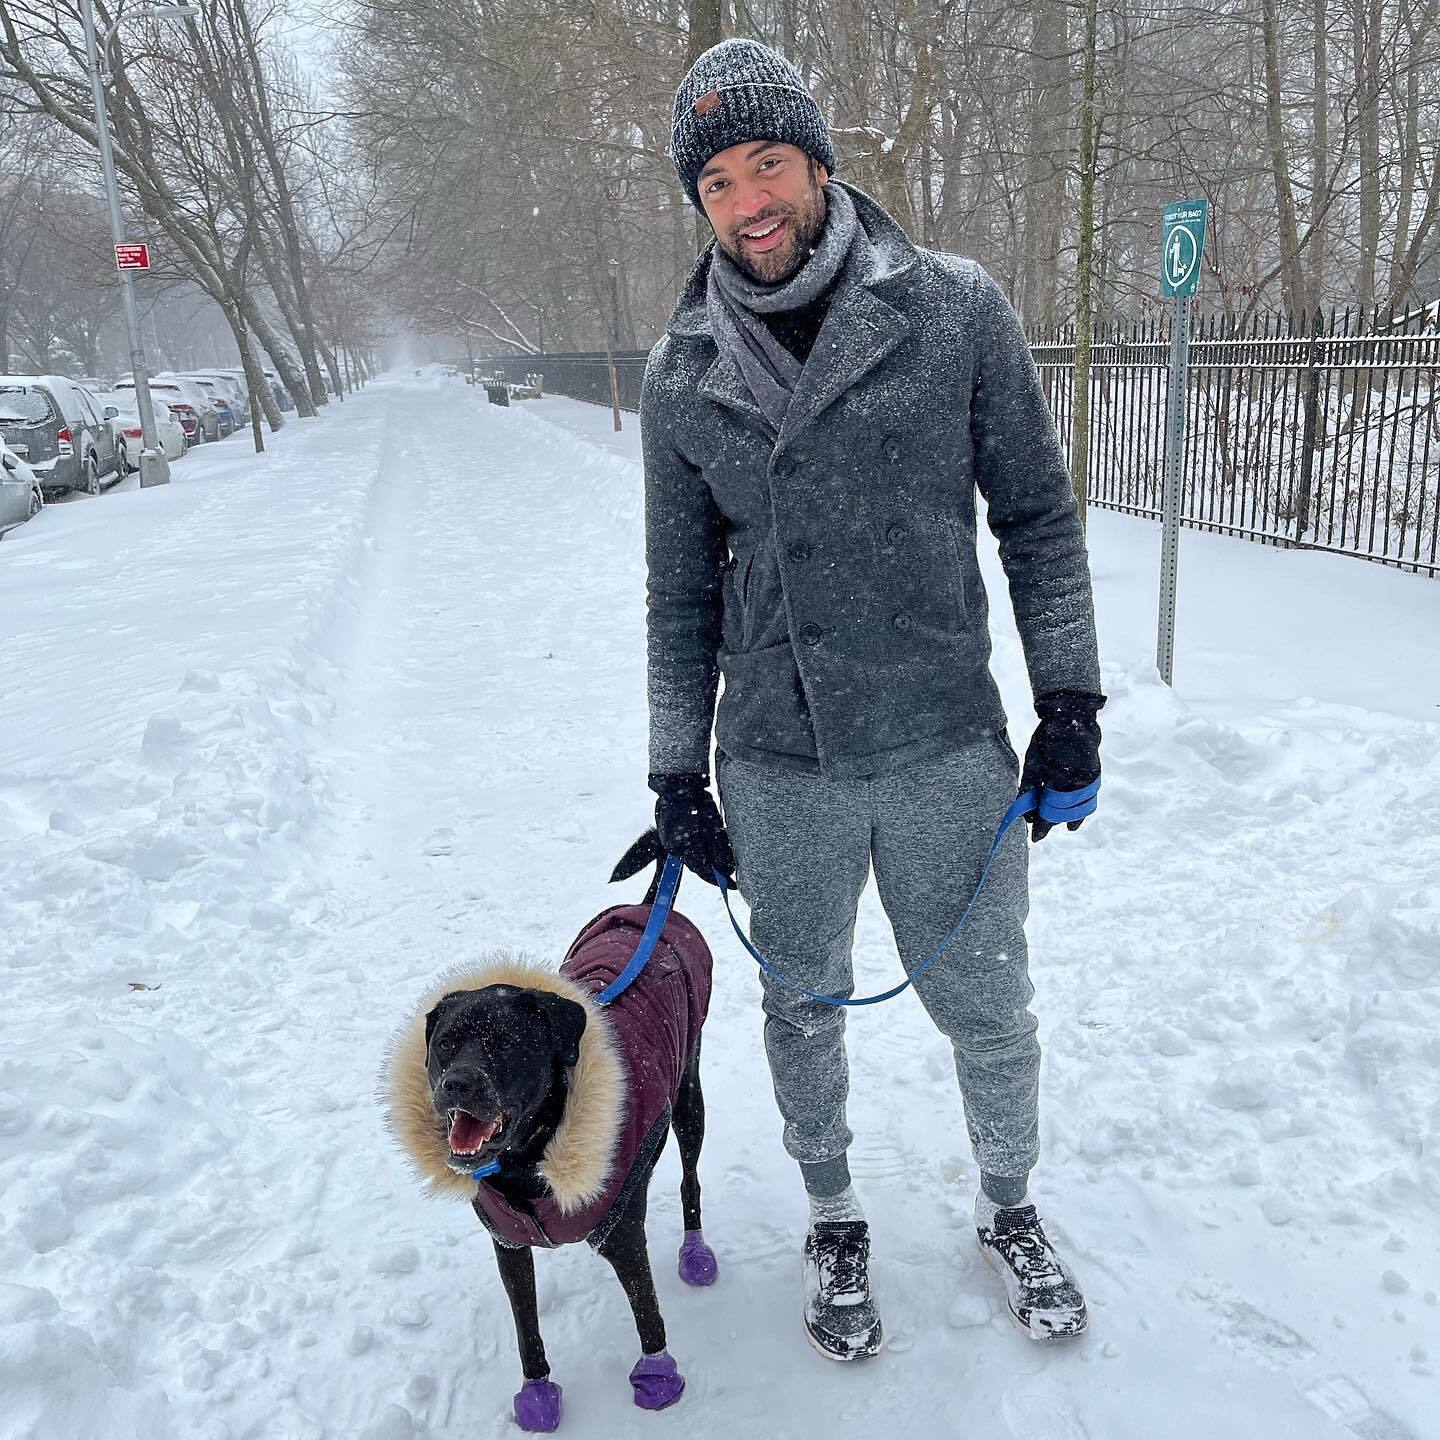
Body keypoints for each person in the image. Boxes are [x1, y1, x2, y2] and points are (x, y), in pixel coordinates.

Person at [640, 36, 1106, 1360]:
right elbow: (679, 597)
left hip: (945, 742)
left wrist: (1067, 697)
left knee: (988, 1002)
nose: (749, 201)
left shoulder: (955, 308)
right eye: (719, 181)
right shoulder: (683, 371)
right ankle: (832, 1211)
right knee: (803, 1003)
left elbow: (1035, 519)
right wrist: (677, 769)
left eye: (769, 164)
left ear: (820, 165)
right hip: (779, 759)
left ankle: (1009, 1201)